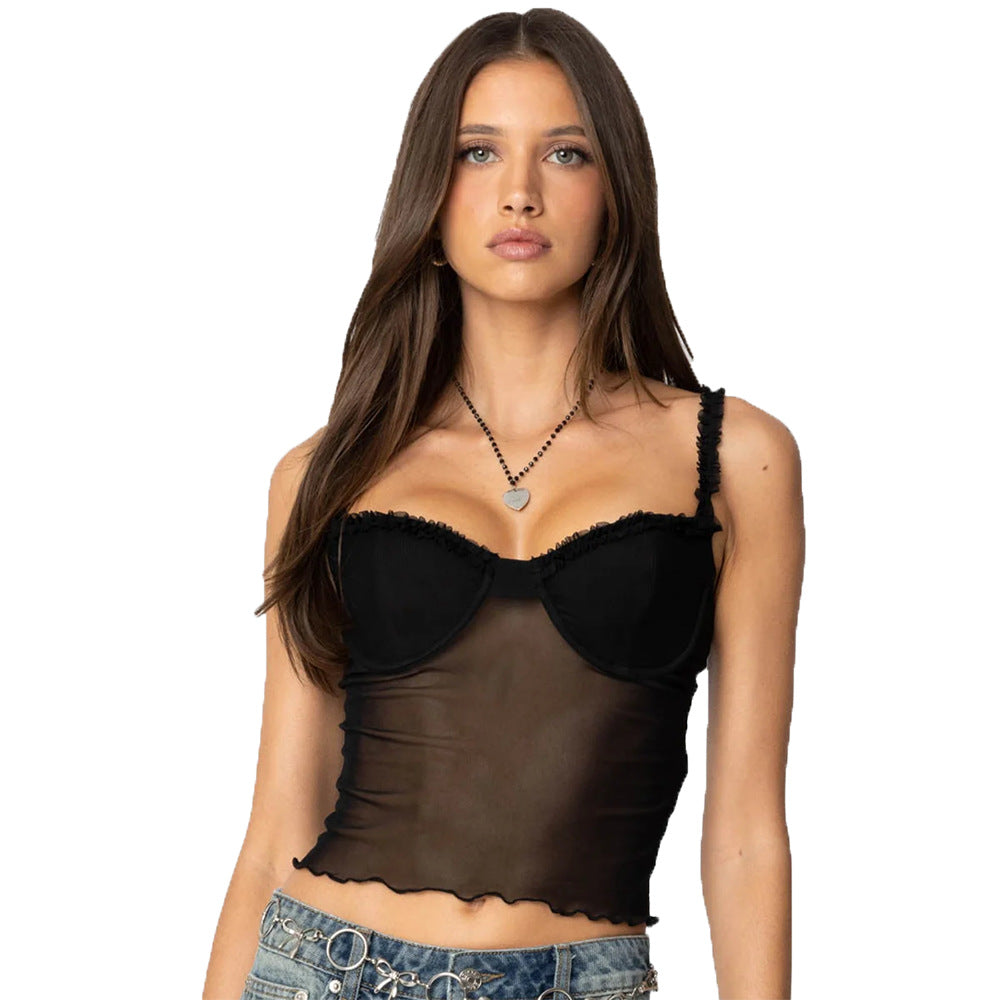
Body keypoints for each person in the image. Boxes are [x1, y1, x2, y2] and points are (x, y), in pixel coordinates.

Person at [204, 9, 803, 1000]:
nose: (520, 191)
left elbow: (745, 837)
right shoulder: (324, 474)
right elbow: (275, 830)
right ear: (430, 198)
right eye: (477, 153)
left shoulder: (735, 460)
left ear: (615, 194)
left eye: (565, 153)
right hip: (324, 970)